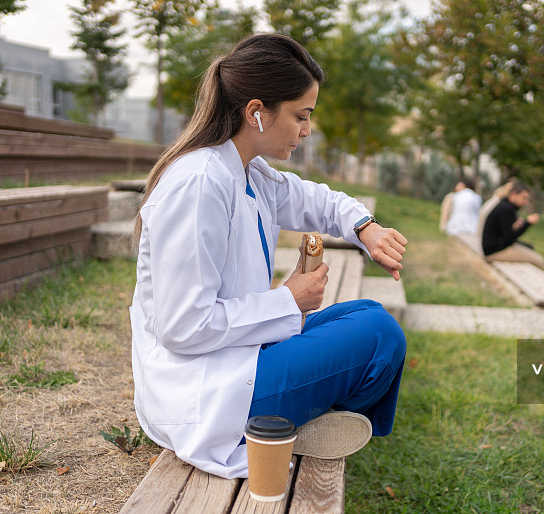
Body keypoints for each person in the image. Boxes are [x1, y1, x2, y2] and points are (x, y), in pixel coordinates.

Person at [129, 34, 408, 479]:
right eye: (301, 115)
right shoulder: (199, 185)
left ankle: (300, 420)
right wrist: (288, 300)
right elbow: (181, 327)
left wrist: (364, 228)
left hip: (239, 358)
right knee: (378, 333)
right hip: (205, 393)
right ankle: (285, 425)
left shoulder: (245, 169)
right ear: (257, 111)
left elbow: (315, 200)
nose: (306, 130)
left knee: (366, 312)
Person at [481, 180, 544, 269]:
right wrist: (528, 223)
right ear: (514, 194)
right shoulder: (507, 209)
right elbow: (509, 238)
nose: (525, 202)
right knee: (539, 261)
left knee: (529, 248)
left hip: (493, 248)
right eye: (524, 198)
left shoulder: (504, 205)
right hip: (493, 252)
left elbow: (505, 233)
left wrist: (517, 226)